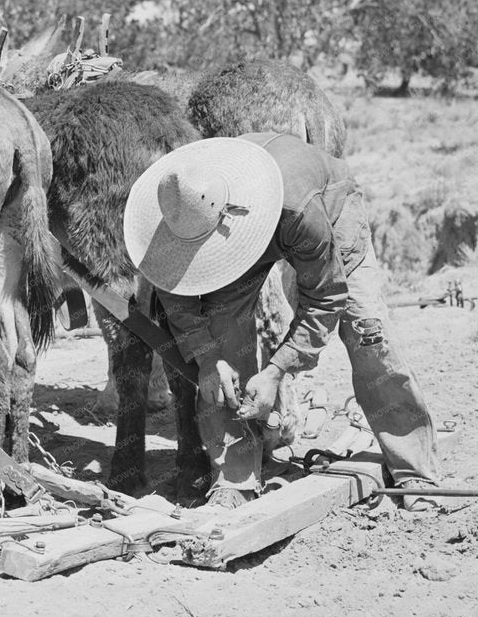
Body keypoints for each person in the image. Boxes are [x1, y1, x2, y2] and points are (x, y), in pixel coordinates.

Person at [123, 132, 445, 511]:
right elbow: (176, 296)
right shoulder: (178, 214)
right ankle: (235, 479)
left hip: (324, 210)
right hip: (230, 230)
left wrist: (276, 371)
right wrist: (207, 359)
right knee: (222, 344)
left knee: (368, 332)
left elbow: (325, 297)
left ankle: (414, 470)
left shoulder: (300, 212)